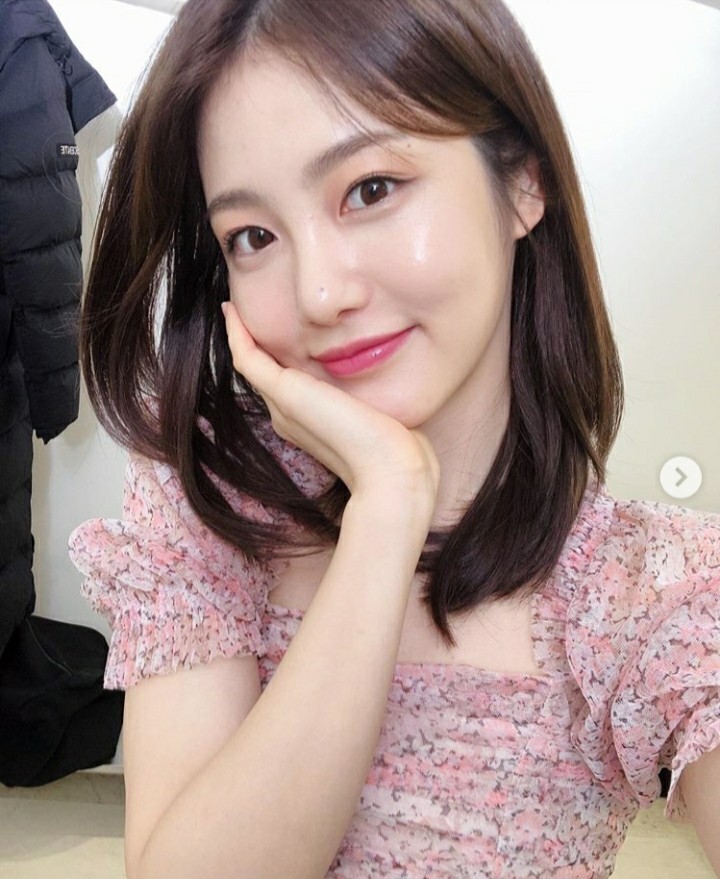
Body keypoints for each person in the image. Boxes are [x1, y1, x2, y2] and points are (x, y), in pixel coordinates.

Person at [68, 0, 720, 877]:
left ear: (523, 183)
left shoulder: (652, 593)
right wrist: (386, 510)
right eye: (253, 236)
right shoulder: (210, 503)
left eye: (370, 190)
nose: (319, 293)